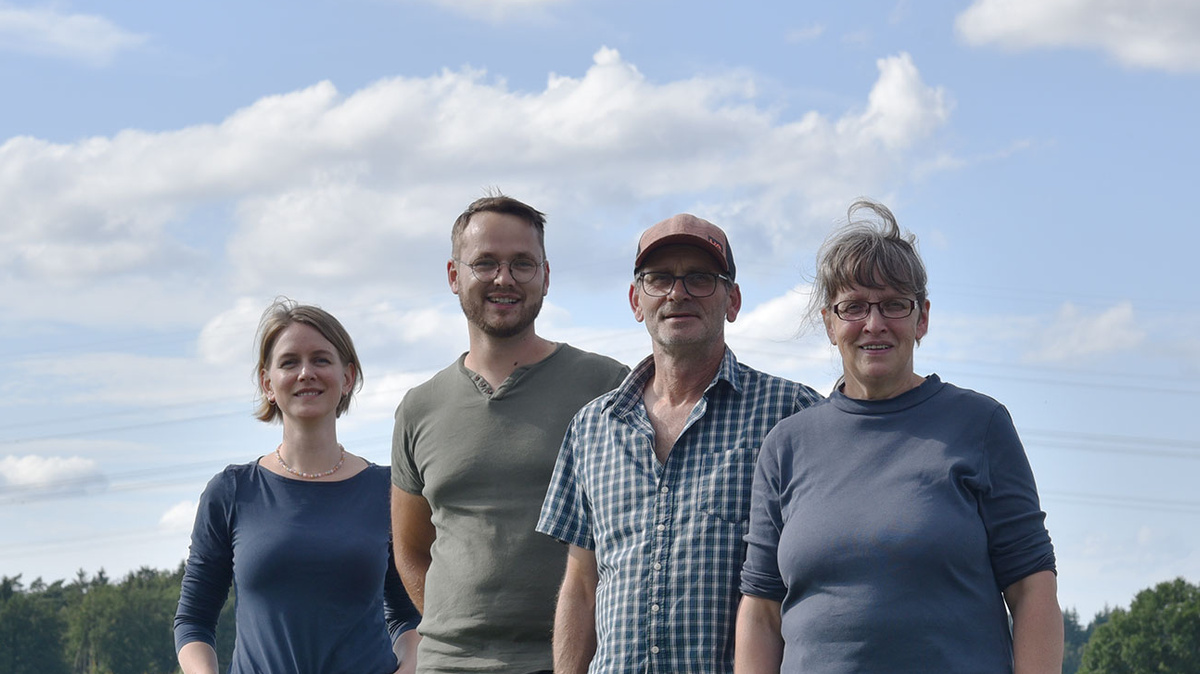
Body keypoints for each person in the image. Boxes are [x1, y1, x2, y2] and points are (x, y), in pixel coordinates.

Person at [735, 199, 1062, 673]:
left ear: (921, 318)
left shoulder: (981, 424)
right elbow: (761, 612)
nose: (874, 323)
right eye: (853, 307)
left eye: (894, 304)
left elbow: (1033, 588)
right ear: (829, 323)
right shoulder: (786, 446)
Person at [537, 213, 822, 673]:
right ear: (636, 300)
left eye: (700, 278)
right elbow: (582, 584)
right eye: (659, 278)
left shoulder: (793, 414)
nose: (678, 293)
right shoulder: (592, 426)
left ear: (733, 300)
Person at [390, 193, 629, 674]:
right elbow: (411, 549)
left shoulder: (609, 387)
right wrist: (454, 630)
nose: (505, 278)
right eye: (486, 263)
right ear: (454, 276)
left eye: (523, 264)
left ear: (545, 276)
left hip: (575, 663)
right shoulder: (419, 407)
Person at [174, 299, 420, 674]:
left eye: (321, 359)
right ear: (267, 382)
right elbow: (193, 620)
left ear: (348, 377)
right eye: (289, 362)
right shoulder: (232, 491)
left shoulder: (388, 489)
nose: (306, 372)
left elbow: (408, 614)